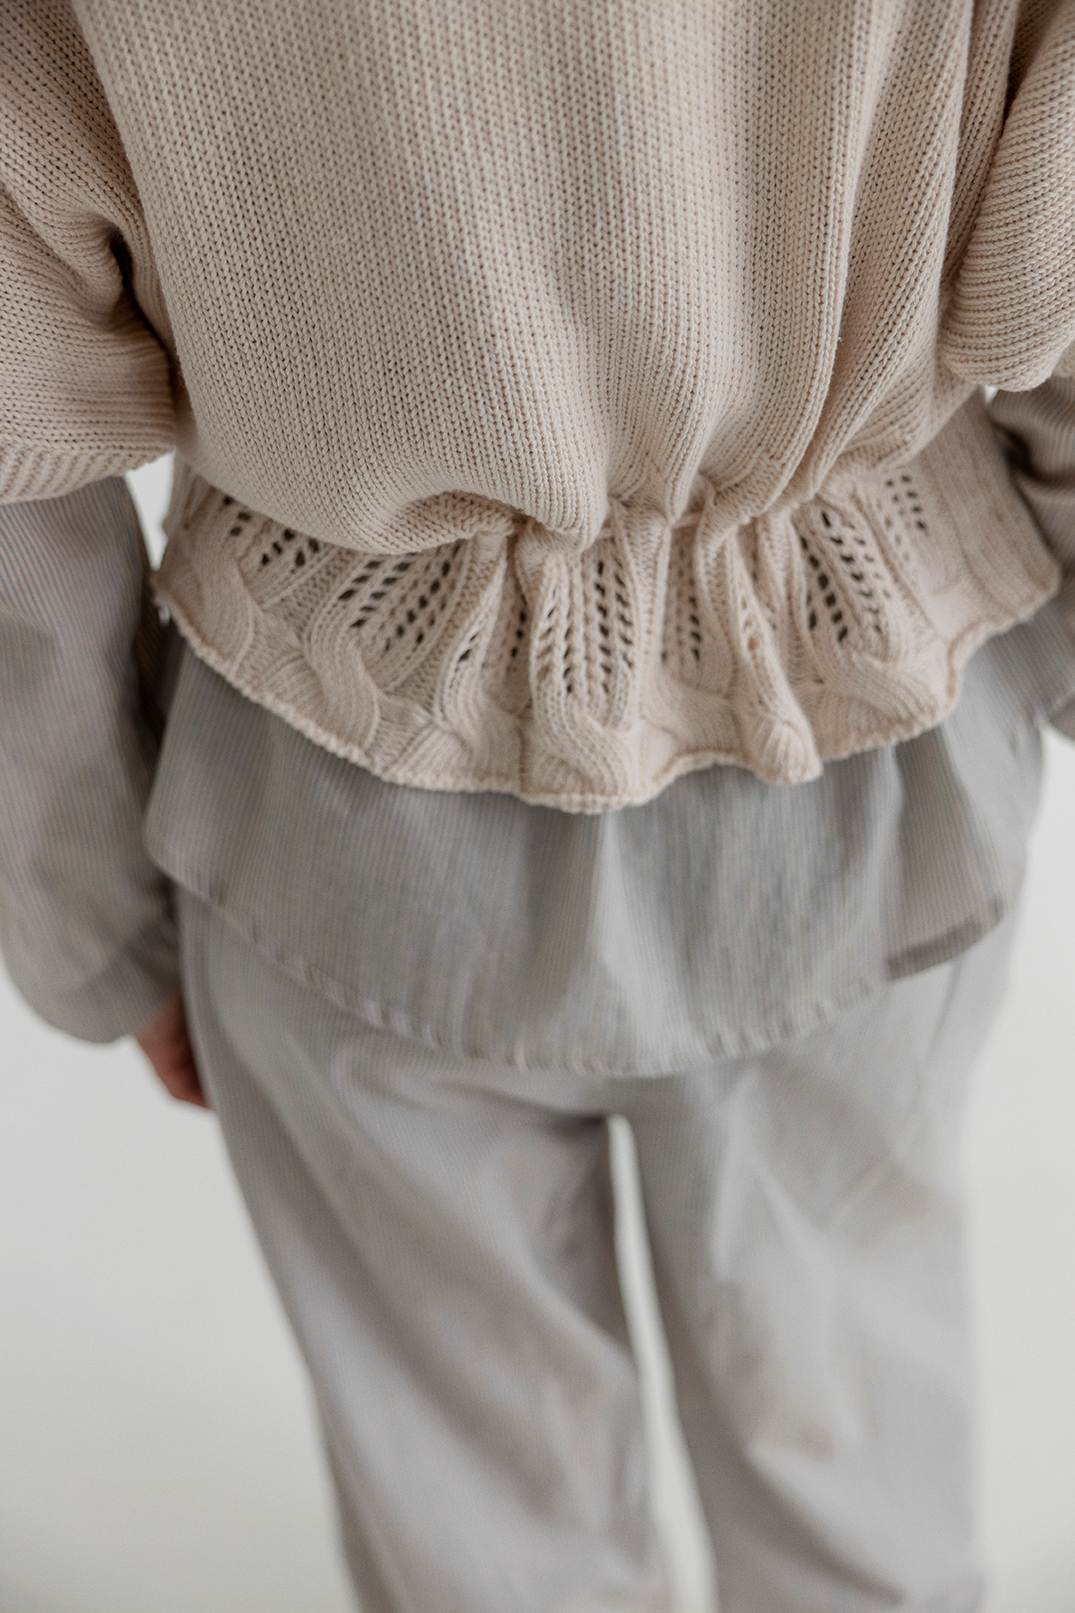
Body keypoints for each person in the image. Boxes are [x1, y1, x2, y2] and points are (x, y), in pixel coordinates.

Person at [2, 2, 1074, 1608]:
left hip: (338, 799)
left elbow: (16, 432)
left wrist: (94, 915)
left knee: (476, 1532)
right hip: (860, 753)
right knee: (852, 1471)